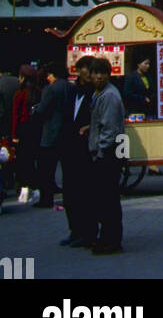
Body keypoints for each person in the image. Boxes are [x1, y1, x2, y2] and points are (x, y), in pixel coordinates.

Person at [87, 57, 125, 255]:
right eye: (96, 73)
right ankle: (108, 237)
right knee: (105, 198)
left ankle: (111, 240)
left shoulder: (109, 95)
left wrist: (100, 151)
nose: (99, 76)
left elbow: (109, 129)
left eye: (103, 73)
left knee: (108, 199)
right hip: (107, 151)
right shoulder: (100, 93)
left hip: (108, 154)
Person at [60, 55, 95, 248]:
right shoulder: (72, 92)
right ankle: (74, 229)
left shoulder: (95, 93)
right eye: (86, 69)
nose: (89, 74)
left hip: (85, 149)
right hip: (69, 147)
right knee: (70, 192)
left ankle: (87, 232)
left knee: (85, 193)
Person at [34, 59, 70, 207]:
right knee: (68, 170)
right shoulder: (71, 87)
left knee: (46, 170)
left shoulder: (50, 89)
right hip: (67, 133)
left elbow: (42, 110)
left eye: (49, 74)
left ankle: (46, 199)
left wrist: (35, 111)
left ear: (53, 74)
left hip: (50, 134)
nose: (47, 77)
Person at [11, 63, 41, 203]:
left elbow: (15, 116)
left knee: (23, 161)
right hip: (35, 130)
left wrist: (14, 135)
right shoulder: (38, 92)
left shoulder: (20, 93)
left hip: (22, 130)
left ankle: (24, 189)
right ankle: (36, 189)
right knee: (32, 160)